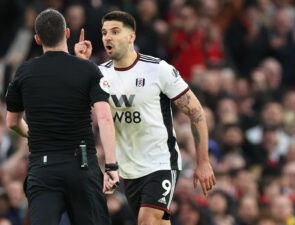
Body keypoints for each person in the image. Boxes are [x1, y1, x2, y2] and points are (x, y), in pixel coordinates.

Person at [75, 11, 216, 225]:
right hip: (129, 169)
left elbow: (196, 112)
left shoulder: (157, 69)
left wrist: (203, 161)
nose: (107, 38)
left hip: (160, 162)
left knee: (147, 221)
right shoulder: (98, 74)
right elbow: (76, 107)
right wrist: (81, 65)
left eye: (115, 32)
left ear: (131, 36)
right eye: (104, 33)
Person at [5, 9, 119, 225]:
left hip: (43, 168)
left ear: (37, 39)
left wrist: (34, 134)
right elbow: (104, 118)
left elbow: (12, 121)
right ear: (67, 33)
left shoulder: (24, 72)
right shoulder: (88, 69)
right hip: (82, 166)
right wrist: (111, 166)